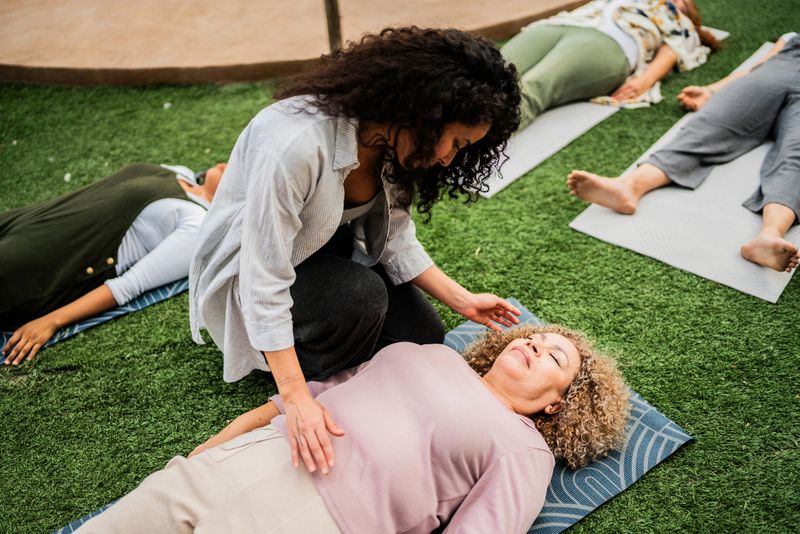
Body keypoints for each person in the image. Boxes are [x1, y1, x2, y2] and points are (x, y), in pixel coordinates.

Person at [189, 27, 523, 475]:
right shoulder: (295, 145)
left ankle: (333, 351)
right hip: (248, 273)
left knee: (423, 339)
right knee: (360, 297)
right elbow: (262, 278)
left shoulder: (393, 142)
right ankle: (295, 371)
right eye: (457, 142)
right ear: (423, 112)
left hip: (319, 250)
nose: (449, 159)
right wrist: (296, 397)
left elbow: (397, 236)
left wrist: (463, 300)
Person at [74, 324, 630, 533]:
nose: (535, 345)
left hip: (320, 518)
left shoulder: (522, 449)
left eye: (555, 357)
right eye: (535, 337)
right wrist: (215, 446)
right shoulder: (428, 352)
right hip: (245, 460)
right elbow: (305, 397)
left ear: (559, 404)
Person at [567, 32, 800, 273]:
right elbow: (756, 69)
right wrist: (710, 90)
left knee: (795, 154)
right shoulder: (791, 39)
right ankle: (630, 187)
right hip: (780, 68)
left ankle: (770, 235)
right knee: (709, 124)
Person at [0, 162, 225, 364]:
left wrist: (51, 321)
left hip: (45, 262)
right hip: (26, 221)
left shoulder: (197, 226)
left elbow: (129, 285)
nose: (230, 163)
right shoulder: (180, 172)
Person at [502, 0, 718, 130]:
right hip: (562, 24)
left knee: (532, 87)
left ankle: (477, 143)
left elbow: (673, 49)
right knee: (489, 70)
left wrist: (644, 80)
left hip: (611, 43)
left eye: (685, 2)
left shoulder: (679, 19)